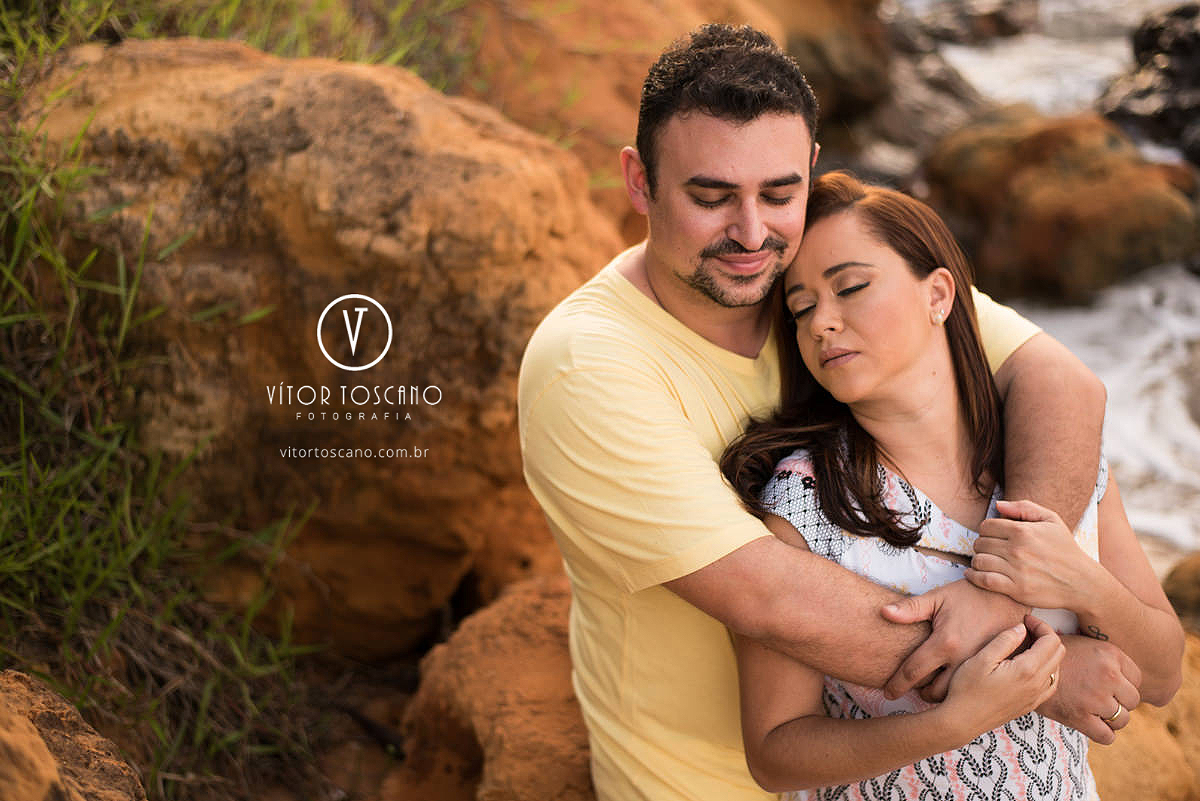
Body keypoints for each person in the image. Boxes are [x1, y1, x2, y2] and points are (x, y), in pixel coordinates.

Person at [518, 24, 1131, 801]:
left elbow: (1059, 380)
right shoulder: (587, 365)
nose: (751, 232)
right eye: (710, 197)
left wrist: (1005, 592)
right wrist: (1041, 668)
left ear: (811, 169)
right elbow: (771, 596)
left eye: (779, 194)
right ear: (640, 182)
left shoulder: (821, 274)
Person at [721, 171, 1184, 799]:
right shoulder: (806, 504)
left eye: (850, 287)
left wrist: (1080, 581)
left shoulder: (1050, 454)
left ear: (938, 294)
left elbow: (1162, 676)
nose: (821, 322)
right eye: (801, 309)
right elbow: (776, 752)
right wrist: (949, 724)